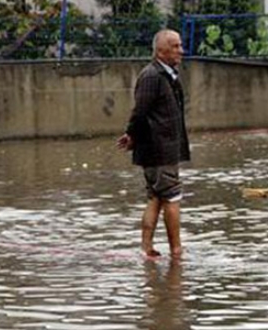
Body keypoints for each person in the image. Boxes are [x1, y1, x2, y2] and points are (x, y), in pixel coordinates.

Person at [117, 29, 189, 260]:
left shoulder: (167, 74)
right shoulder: (152, 76)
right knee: (171, 197)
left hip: (162, 148)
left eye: (180, 45)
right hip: (159, 150)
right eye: (175, 46)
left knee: (156, 197)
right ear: (160, 51)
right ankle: (176, 251)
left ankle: (146, 249)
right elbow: (140, 112)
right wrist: (131, 134)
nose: (181, 51)